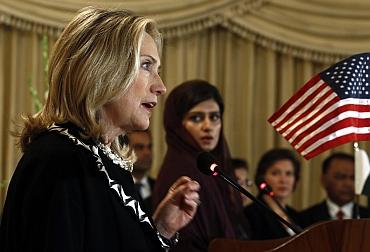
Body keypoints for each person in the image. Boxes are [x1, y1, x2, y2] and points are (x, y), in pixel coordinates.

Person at [0, 7, 201, 252]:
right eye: (146, 65)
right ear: (102, 69)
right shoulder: (58, 161)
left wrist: (162, 229)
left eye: (158, 70)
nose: (161, 86)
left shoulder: (107, 161)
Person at [153, 79, 249, 251]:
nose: (208, 126)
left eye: (214, 117)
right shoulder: (181, 171)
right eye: (196, 118)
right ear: (177, 125)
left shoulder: (210, 169)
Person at [300, 152, 370, 228]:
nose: (348, 184)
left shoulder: (367, 217)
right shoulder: (304, 219)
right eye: (340, 177)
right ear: (324, 180)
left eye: (353, 178)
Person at [244, 148, 302, 240]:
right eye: (275, 173)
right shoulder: (250, 215)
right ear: (262, 177)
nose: (283, 180)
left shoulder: (298, 216)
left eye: (289, 174)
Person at [127, 130, 156, 215]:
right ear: (124, 150)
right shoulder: (116, 188)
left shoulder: (159, 187)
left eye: (149, 147)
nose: (147, 153)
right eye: (139, 147)